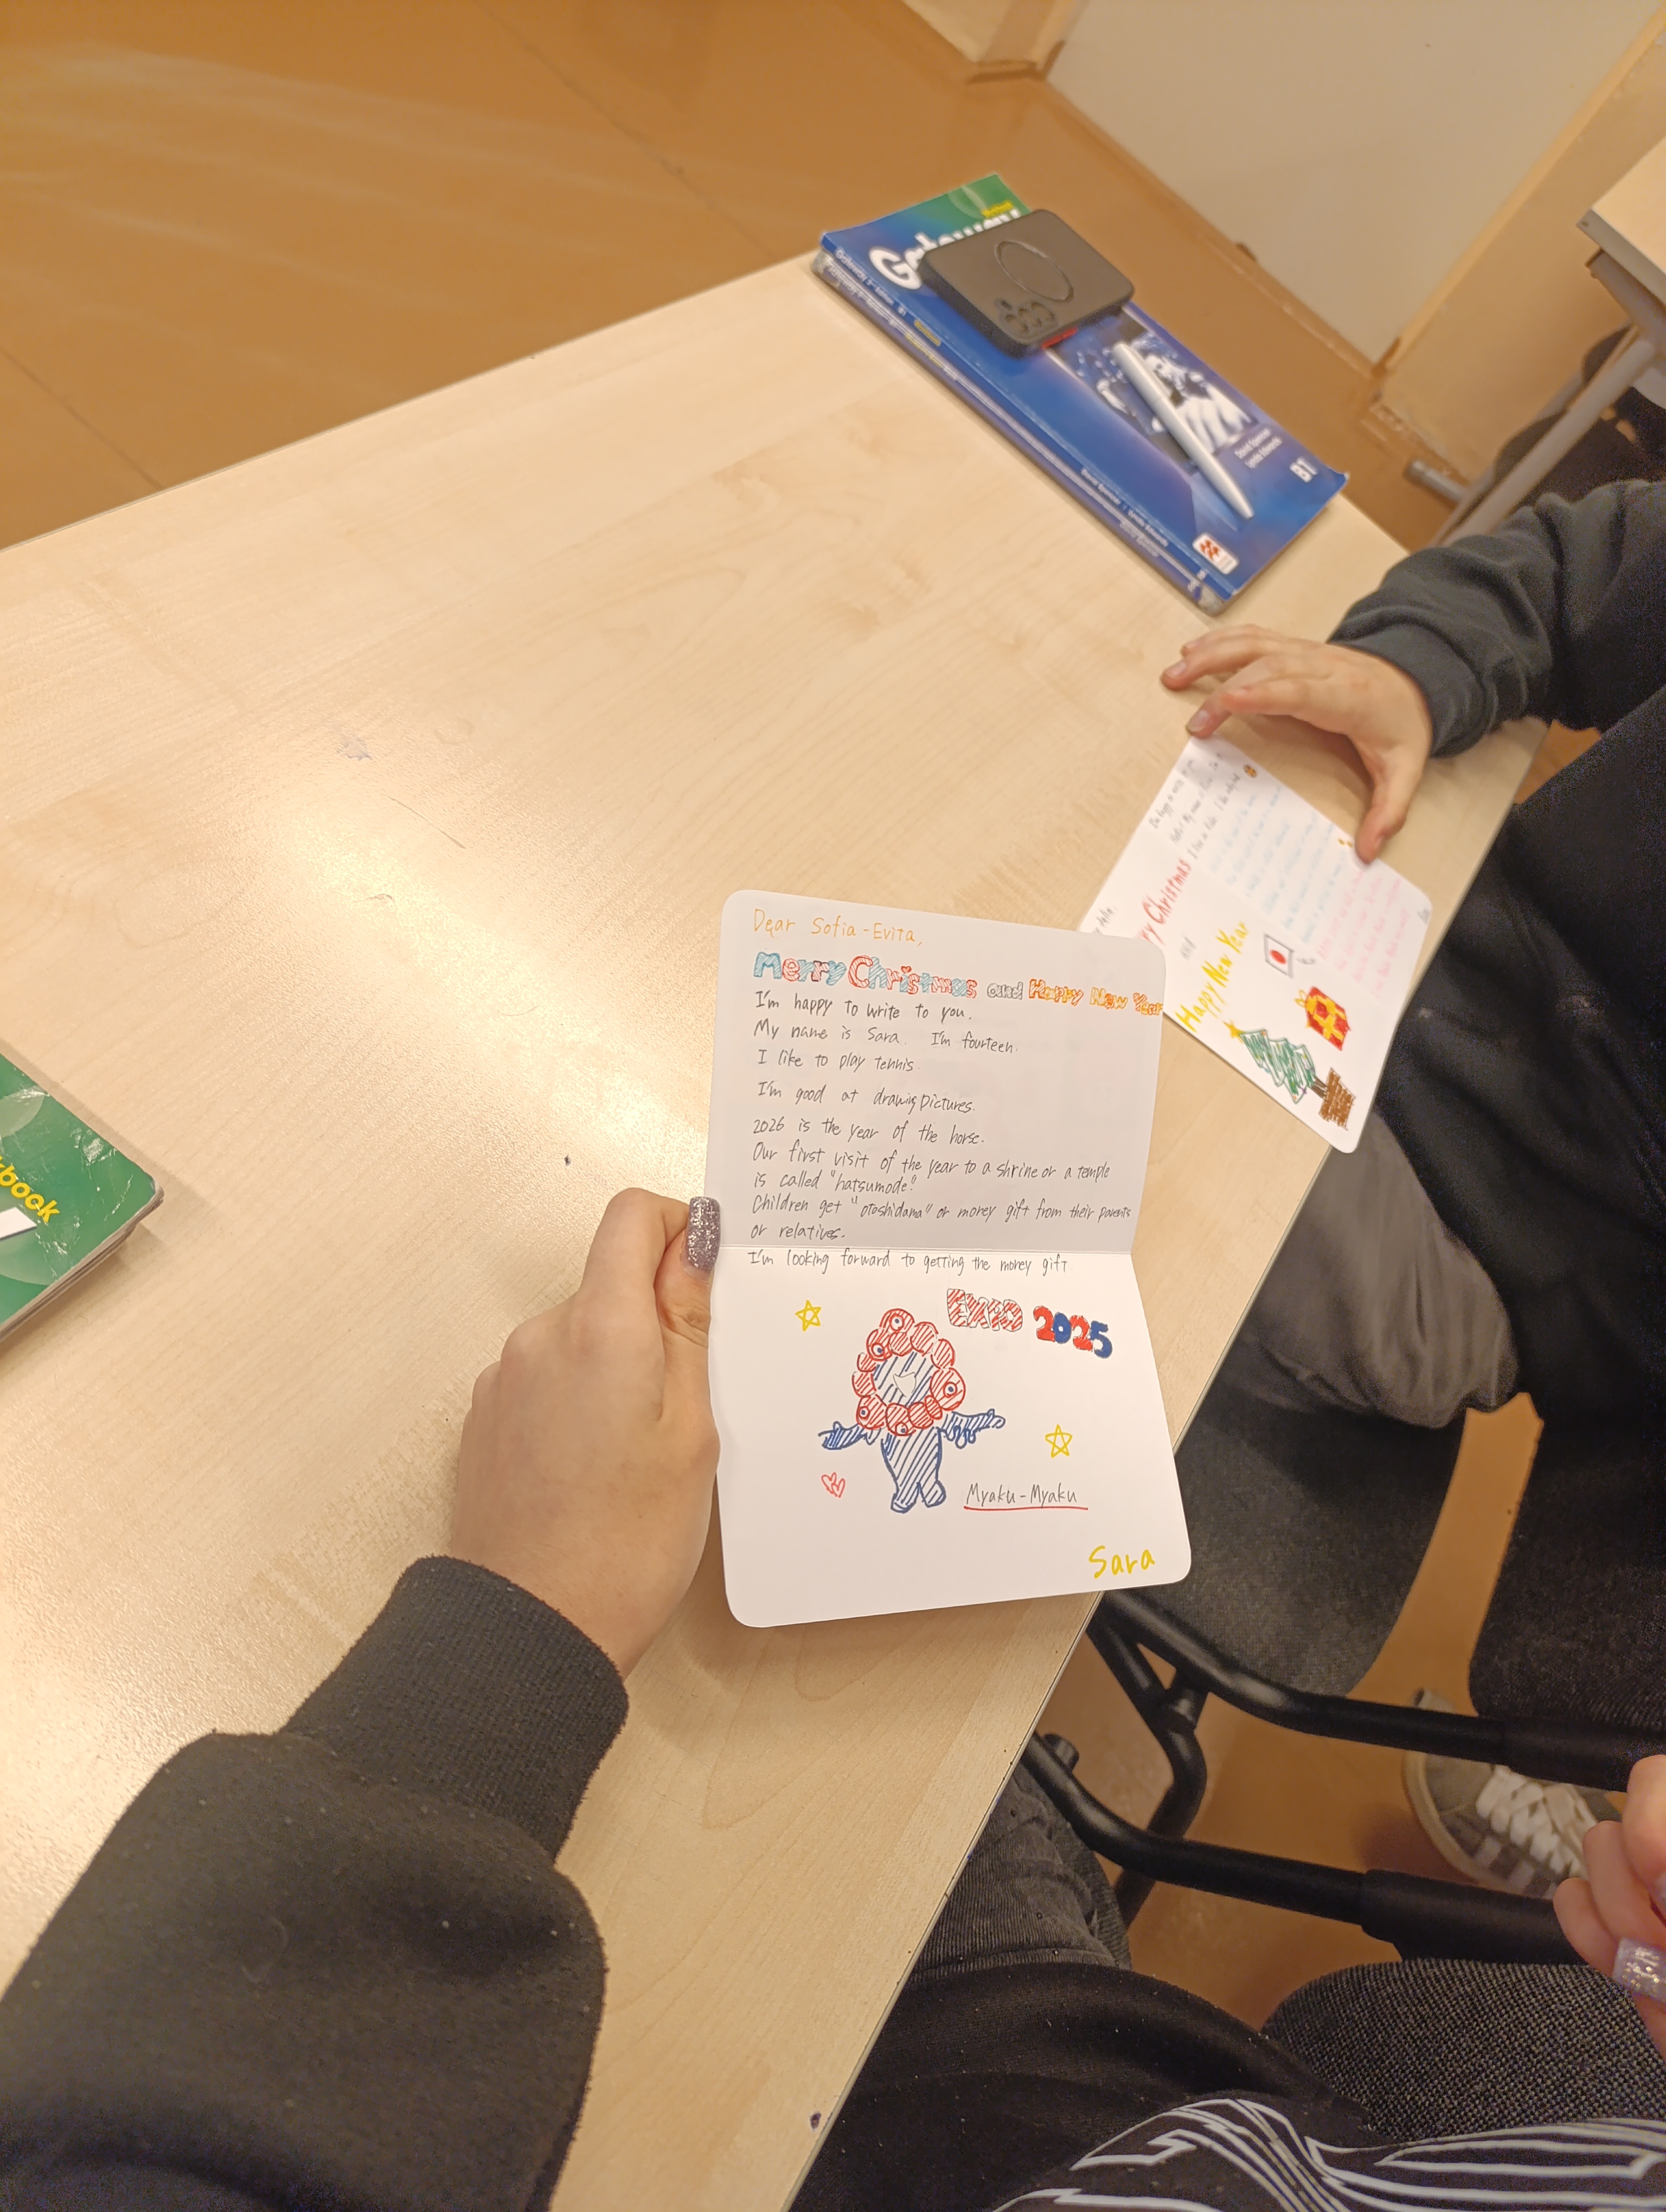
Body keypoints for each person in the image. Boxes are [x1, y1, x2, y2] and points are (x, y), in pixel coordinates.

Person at [1, 1191, 1663, 2210]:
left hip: (957, 2123)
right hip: (1162, 2108)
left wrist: (527, 1613)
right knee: (857, 1684)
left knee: (766, 1763)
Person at [1161, 481, 1664, 1900]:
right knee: (1105, 809)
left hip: (1489, 1236)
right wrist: (1415, 667)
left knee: (1101, 1080)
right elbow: (1581, 568)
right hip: (1409, 951)